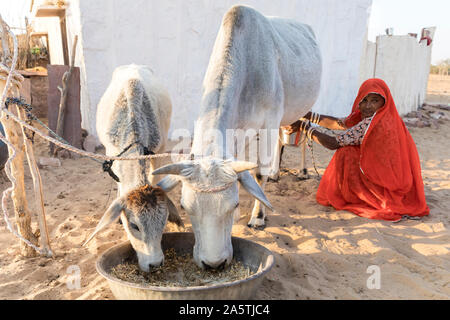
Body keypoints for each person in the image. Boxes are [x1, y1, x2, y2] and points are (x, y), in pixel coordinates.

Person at [283, 78, 430, 221]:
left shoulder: (369, 124)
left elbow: (334, 143)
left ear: (384, 102)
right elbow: (340, 123)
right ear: (358, 101)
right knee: (351, 148)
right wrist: (309, 116)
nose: (368, 106)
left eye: (374, 101)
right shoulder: (389, 118)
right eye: (364, 100)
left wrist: (305, 128)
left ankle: (356, 195)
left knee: (346, 152)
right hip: (396, 182)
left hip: (383, 185)